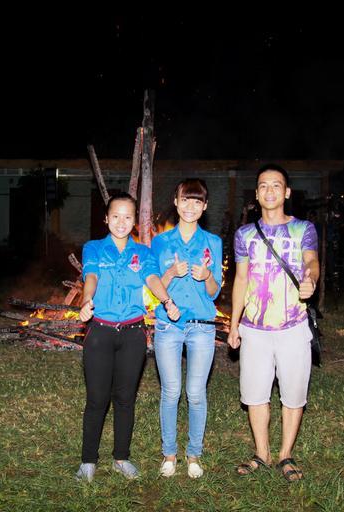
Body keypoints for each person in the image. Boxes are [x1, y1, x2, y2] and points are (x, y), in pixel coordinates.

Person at [76, 192, 180, 482]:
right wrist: (86, 300)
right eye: (116, 216)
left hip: (133, 334)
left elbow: (152, 279)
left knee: (125, 398)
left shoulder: (143, 253)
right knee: (97, 399)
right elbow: (91, 277)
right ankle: (88, 461)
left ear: (135, 221)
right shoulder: (94, 248)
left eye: (127, 217)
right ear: (106, 218)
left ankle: (121, 457)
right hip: (100, 331)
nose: (121, 222)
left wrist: (167, 300)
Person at [227, 164, 319, 483]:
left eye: (276, 185)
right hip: (254, 328)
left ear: (287, 192)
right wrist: (234, 324)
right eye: (263, 186)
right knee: (255, 394)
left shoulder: (303, 228)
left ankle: (285, 455)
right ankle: (262, 453)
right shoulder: (244, 234)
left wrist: (311, 280)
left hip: (293, 326)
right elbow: (241, 279)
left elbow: (311, 261)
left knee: (293, 394)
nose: (269, 191)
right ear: (256, 194)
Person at [151, 179, 223, 479]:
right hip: (168, 325)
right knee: (170, 392)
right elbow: (154, 286)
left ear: (205, 206)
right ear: (176, 202)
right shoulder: (160, 242)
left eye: (197, 201)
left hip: (202, 327)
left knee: (195, 393)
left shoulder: (213, 242)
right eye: (185, 199)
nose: (190, 206)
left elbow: (214, 293)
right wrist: (170, 272)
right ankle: (169, 454)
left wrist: (207, 276)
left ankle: (194, 454)